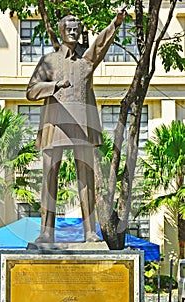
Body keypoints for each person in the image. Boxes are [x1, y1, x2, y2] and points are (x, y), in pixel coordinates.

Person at [26, 8, 126, 243]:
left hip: (82, 124)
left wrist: (115, 23)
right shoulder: (49, 61)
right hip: (55, 124)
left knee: (87, 180)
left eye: (77, 30)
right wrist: (53, 86)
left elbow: (100, 45)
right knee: (50, 178)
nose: (73, 33)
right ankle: (46, 233)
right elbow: (31, 91)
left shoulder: (86, 59)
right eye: (69, 30)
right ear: (61, 32)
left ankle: (90, 232)